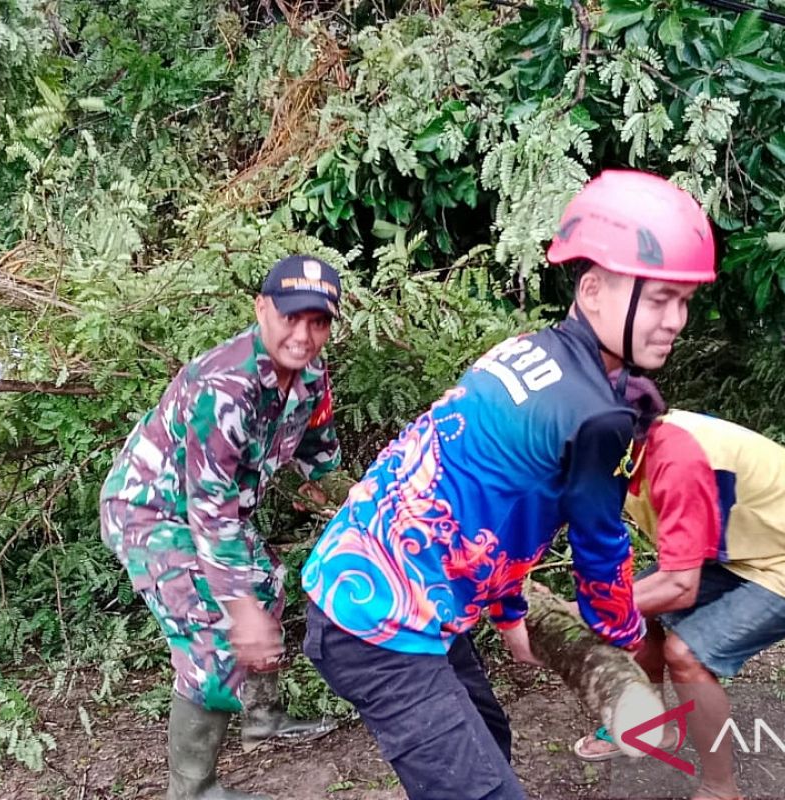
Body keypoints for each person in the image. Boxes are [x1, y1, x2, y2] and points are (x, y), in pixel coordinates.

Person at [300, 169, 718, 800]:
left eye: (684, 301)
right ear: (594, 289)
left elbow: (490, 499)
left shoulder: (525, 351)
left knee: (489, 737)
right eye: (659, 299)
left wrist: (511, 612)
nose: (675, 320)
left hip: (375, 583)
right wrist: (630, 647)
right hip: (377, 623)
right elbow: (601, 556)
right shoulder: (596, 415)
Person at [100, 255, 346, 800]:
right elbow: (207, 512)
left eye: (319, 322)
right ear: (261, 308)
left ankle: (263, 719)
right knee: (216, 637)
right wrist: (240, 613)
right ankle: (192, 792)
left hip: (212, 512)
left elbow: (318, 450)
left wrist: (349, 502)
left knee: (267, 584)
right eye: (290, 318)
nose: (303, 337)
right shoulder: (225, 385)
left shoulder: (309, 375)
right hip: (152, 512)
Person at [570, 408, 785, 800]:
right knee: (635, 606)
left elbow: (680, 585)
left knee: (685, 653)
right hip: (741, 549)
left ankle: (720, 789)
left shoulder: (676, 460)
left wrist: (583, 609)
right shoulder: (617, 452)